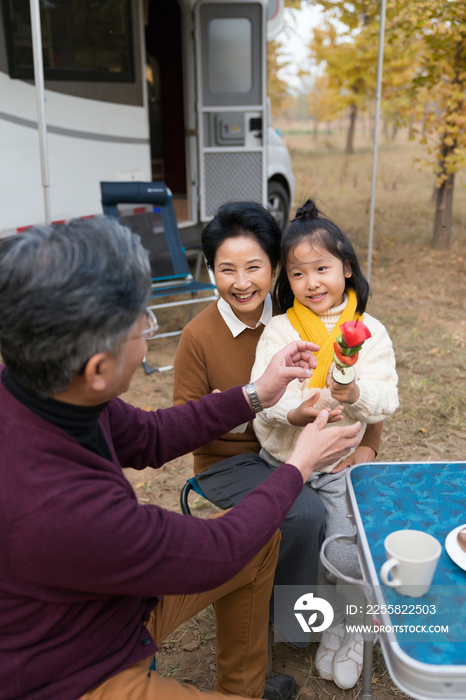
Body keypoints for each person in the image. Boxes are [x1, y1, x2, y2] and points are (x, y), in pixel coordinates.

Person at [0, 217, 362, 700]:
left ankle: (246, 688)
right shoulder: (61, 503)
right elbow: (217, 551)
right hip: (73, 669)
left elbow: (151, 435)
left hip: (110, 597)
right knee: (246, 541)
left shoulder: (45, 385)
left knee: (259, 544)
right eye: (141, 323)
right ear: (99, 368)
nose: (148, 332)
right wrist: (300, 464)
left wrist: (257, 391)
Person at [173, 202, 383, 645]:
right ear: (211, 271)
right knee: (303, 509)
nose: (242, 282)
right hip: (229, 459)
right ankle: (292, 624)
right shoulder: (198, 335)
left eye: (255, 267)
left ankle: (335, 611)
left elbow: (355, 383)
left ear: (276, 268)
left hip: (305, 446)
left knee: (351, 508)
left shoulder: (299, 313)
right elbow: (184, 422)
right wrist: (234, 409)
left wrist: (370, 444)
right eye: (226, 269)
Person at [251, 200, 399, 690]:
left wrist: (352, 393)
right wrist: (298, 412)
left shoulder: (370, 332)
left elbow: (386, 401)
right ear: (286, 281)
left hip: (336, 465)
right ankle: (310, 622)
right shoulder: (280, 329)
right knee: (302, 543)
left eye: (322, 268)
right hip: (285, 460)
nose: (312, 283)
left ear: (347, 268)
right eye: (298, 273)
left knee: (346, 553)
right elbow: (266, 397)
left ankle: (348, 627)